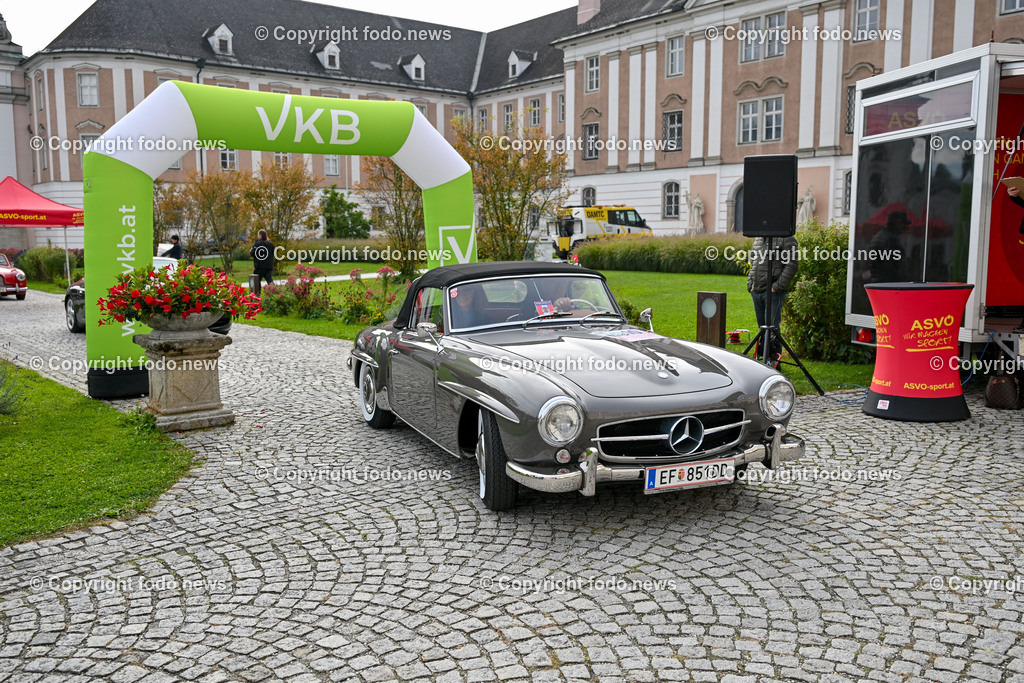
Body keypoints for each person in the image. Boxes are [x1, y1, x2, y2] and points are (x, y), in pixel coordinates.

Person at [747, 234, 799, 363]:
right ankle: (764, 361)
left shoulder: (786, 238)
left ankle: (774, 362)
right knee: (762, 328)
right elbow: (754, 261)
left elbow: (792, 265)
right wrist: (750, 284)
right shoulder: (758, 238)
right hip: (757, 291)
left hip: (773, 292)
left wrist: (776, 287)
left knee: (772, 329)